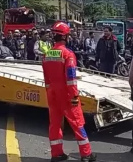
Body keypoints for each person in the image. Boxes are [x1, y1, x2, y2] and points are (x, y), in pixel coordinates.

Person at [42, 21, 96, 162]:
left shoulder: (47, 54)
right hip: (66, 95)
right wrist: (73, 96)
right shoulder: (68, 54)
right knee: (77, 123)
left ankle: (57, 154)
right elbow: (71, 79)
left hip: (52, 94)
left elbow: (46, 79)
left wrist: (50, 93)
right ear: (65, 37)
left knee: (54, 124)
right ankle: (86, 154)